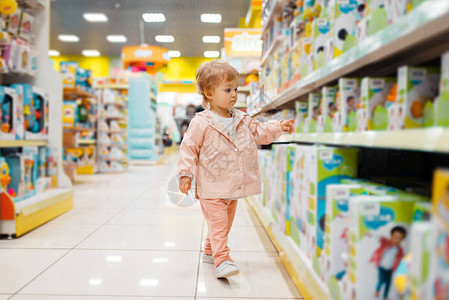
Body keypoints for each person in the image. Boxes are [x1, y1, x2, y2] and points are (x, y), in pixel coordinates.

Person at [177, 60, 294, 279]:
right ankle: (222, 260)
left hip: (234, 185)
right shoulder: (201, 122)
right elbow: (188, 148)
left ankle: (210, 250)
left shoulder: (241, 118)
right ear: (209, 93)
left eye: (236, 89)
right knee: (219, 224)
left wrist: (278, 127)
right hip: (211, 187)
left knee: (224, 224)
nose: (234, 94)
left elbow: (259, 132)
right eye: (228, 89)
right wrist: (185, 174)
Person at [370, 226, 407, 300]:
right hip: (382, 266)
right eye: (395, 237)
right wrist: (370, 235)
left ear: (402, 240)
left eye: (400, 239)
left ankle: (385, 296)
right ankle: (377, 291)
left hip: (390, 268)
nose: (397, 240)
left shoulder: (400, 250)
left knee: (388, 283)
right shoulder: (386, 243)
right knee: (381, 280)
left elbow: (402, 257)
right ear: (391, 236)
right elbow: (380, 238)